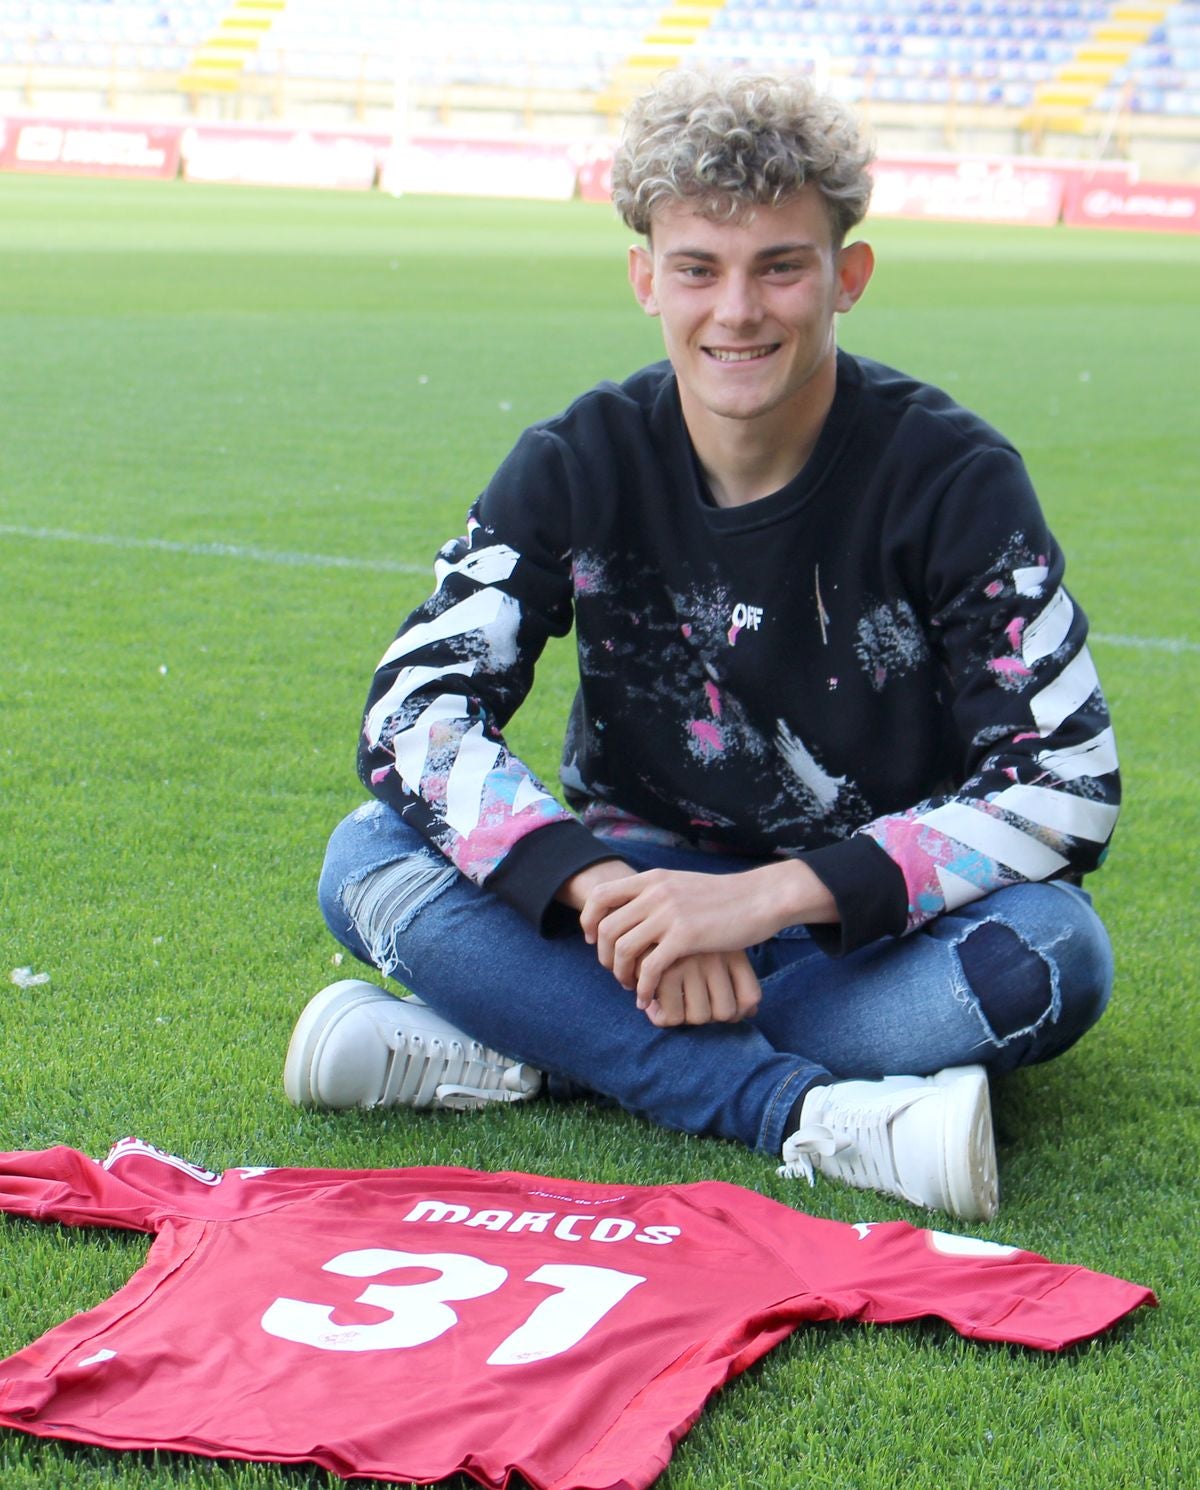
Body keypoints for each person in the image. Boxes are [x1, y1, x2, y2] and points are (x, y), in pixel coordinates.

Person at [285, 70, 1119, 1222]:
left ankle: (536, 1043)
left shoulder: (954, 479)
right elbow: (412, 712)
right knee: (364, 856)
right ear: (645, 279)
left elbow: (1068, 785)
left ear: (847, 276)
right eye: (698, 268)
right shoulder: (580, 458)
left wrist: (765, 902)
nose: (738, 310)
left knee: (1051, 956)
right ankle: (800, 1112)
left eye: (781, 265)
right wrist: (597, 889)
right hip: (622, 918)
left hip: (852, 933)